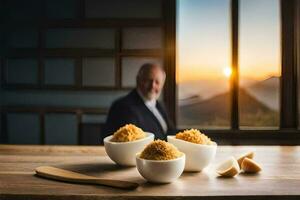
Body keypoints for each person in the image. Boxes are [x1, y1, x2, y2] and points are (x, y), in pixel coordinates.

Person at [103, 63, 175, 140]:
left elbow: (170, 131)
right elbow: (125, 142)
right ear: (138, 80)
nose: (152, 86)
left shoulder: (160, 104)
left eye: (157, 82)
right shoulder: (122, 107)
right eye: (148, 80)